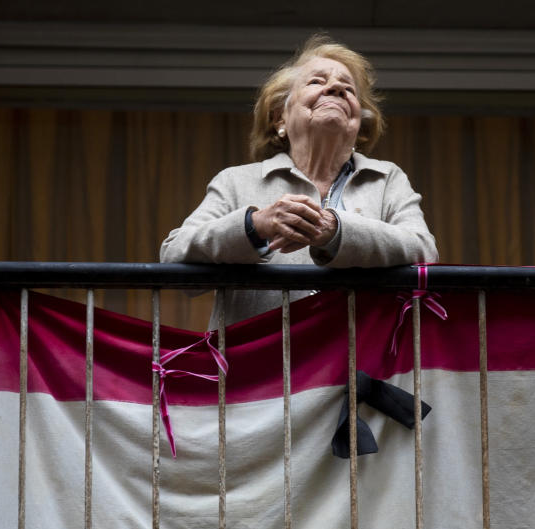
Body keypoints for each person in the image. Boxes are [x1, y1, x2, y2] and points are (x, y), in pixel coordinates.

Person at [160, 34, 439, 327]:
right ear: (280, 117)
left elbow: (423, 251)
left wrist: (336, 231)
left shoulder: (387, 179)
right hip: (261, 367)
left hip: (362, 368)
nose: (336, 88)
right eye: (316, 82)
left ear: (358, 125)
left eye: (348, 88)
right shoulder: (236, 181)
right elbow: (175, 260)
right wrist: (254, 227)